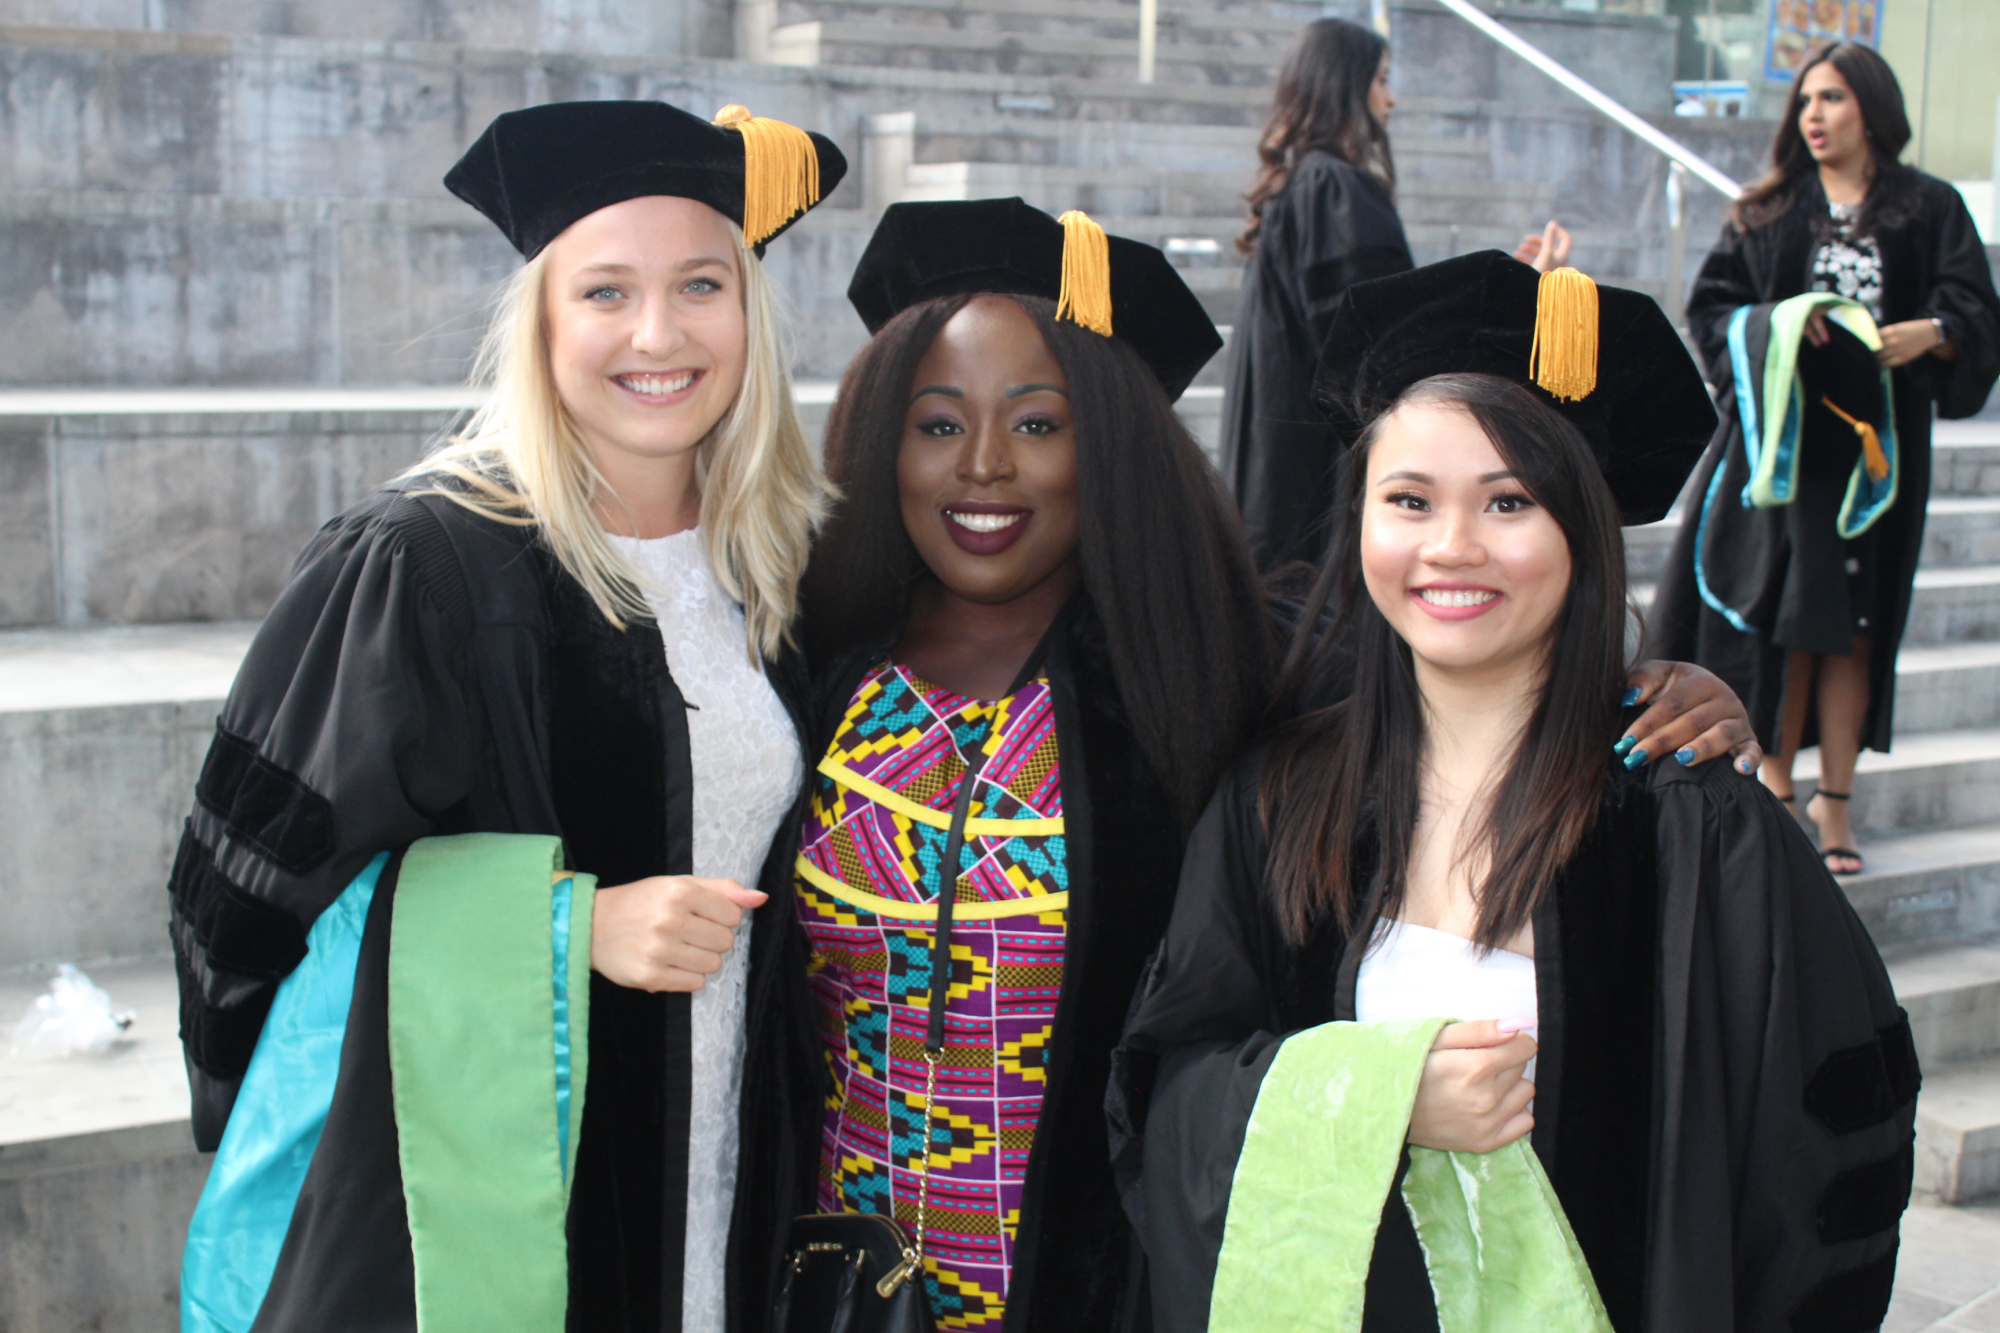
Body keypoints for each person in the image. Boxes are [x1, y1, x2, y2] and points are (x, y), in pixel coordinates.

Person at [728, 205, 1763, 1333]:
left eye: (1038, 423)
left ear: (1108, 441)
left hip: (1108, 1277)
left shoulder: (1219, 672)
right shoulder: (800, 675)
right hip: (827, 1278)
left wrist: (1648, 683)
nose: (983, 465)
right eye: (936, 425)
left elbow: (1451, 661)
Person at [1116, 252, 1915, 1333]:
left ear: (1582, 533)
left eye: (1508, 500)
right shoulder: (1281, 797)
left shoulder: (1691, 825)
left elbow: (1813, 1173)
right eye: (1408, 499)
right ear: (1359, 518)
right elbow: (1169, 1093)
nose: (1450, 546)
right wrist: (1376, 1105)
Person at [171, 100, 844, 1333]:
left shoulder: (779, 558)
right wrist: (561, 924)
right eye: (603, 292)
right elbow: (244, 903)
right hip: (490, 1188)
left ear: (748, 311)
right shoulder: (420, 564)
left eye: (701, 284)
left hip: (727, 1167)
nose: (658, 333)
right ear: (538, 319)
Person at [1648, 42, 2000, 875]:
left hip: (1878, 460)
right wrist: (1779, 320)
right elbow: (1713, 312)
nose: (1813, 114)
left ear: (1871, 109)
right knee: (1787, 623)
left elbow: (1973, 306)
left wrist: (1934, 331)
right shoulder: (1768, 209)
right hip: (1786, 456)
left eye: (1832, 98)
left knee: (1856, 631)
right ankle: (1772, 788)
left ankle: (1833, 803)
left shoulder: (1929, 206)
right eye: (1806, 99)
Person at [1224, 16, 1573, 572]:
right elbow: (1386, 342)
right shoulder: (1334, 188)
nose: (1391, 98)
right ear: (1347, 86)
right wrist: (1519, 293)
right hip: (1318, 477)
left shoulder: (1300, 186)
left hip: (1280, 472)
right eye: (1381, 79)